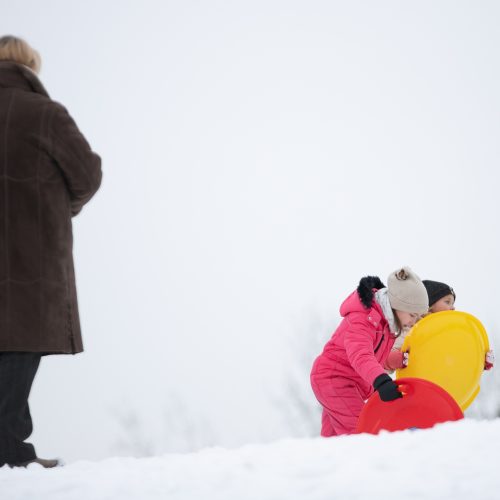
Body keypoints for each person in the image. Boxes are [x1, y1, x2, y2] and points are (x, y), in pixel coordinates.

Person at [0, 35, 101, 467]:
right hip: (29, 255)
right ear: (30, 67)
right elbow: (87, 173)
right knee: (19, 345)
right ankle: (9, 453)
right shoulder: (43, 114)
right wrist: (61, 207)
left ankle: (11, 449)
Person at [310, 266, 429, 437]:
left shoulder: (387, 324)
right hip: (334, 379)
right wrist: (381, 381)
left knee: (334, 441)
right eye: (412, 315)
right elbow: (360, 355)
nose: (414, 322)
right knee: (362, 432)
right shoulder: (363, 318)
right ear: (397, 305)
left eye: (419, 317)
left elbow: (376, 357)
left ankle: (325, 463)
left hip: (349, 383)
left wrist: (401, 359)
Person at [388, 279, 494, 370]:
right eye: (447, 302)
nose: (453, 308)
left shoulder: (451, 333)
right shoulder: (412, 331)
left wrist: (480, 360)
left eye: (453, 304)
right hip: (418, 385)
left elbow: (459, 358)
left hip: (444, 386)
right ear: (429, 305)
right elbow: (384, 357)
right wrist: (399, 358)